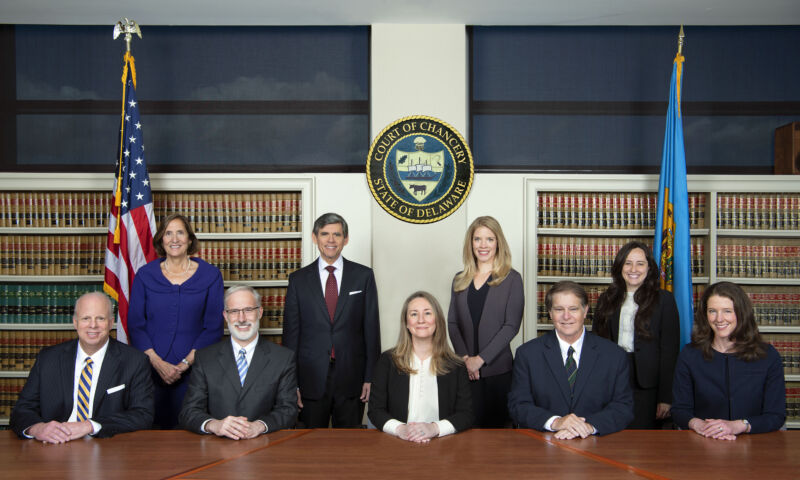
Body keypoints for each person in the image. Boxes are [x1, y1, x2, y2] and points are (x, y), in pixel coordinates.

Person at [11, 292, 153, 442]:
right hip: (54, 445)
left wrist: (90, 426)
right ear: (75, 322)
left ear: (111, 323)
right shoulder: (48, 358)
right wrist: (38, 428)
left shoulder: (135, 361)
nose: (93, 325)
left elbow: (143, 415)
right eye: (86, 318)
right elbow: (21, 410)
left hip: (107, 446)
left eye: (100, 318)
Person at [283, 212, 380, 428]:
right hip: (309, 378)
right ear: (314, 237)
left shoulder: (363, 276)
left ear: (345, 239)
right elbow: (291, 335)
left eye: (337, 234)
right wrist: (291, 383)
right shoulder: (298, 280)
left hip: (352, 377)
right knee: (308, 445)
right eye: (325, 234)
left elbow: (372, 330)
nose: (331, 240)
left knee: (349, 447)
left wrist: (370, 377)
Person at [128, 213, 224, 428]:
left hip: (195, 370)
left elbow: (213, 327)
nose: (174, 239)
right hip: (151, 370)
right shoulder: (145, 275)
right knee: (151, 431)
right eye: (168, 233)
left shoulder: (211, 275)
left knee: (192, 430)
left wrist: (183, 365)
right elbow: (136, 323)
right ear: (161, 239)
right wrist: (157, 363)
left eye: (180, 232)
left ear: (190, 239)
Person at [508, 281, 633, 438]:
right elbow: (518, 405)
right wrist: (556, 422)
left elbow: (623, 407)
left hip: (598, 446)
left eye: (573, 309)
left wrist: (588, 426)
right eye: (559, 309)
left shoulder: (614, 355)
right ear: (550, 312)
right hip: (543, 447)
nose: (566, 316)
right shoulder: (527, 354)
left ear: (585, 311)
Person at [179, 286, 297, 438]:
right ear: (225, 316)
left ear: (259, 313)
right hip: (216, 448)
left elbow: (288, 410)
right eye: (234, 311)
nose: (241, 318)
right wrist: (214, 425)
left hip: (265, 448)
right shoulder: (205, 358)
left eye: (248, 310)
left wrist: (259, 426)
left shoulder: (283, 358)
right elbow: (188, 411)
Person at [671, 282, 786, 439]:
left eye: (727, 311)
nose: (719, 319)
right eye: (712, 311)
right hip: (705, 440)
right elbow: (679, 410)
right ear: (705, 315)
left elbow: (776, 415)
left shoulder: (767, 356)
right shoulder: (690, 355)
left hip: (755, 443)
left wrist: (737, 426)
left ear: (741, 313)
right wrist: (699, 425)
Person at [592, 241, 679, 429]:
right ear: (620, 266)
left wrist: (665, 398)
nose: (634, 269)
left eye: (640, 263)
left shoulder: (664, 300)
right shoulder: (606, 299)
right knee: (612, 434)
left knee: (643, 441)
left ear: (649, 267)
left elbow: (669, 352)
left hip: (647, 384)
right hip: (612, 379)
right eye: (628, 263)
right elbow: (595, 346)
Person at [447, 216, 523, 427]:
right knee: (465, 434)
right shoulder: (459, 279)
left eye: (489, 239)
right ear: (470, 243)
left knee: (497, 440)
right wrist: (466, 359)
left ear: (498, 242)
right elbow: (452, 323)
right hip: (465, 371)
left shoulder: (512, 279)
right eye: (477, 239)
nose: (483, 245)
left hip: (498, 372)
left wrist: (480, 359)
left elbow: (511, 326)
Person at [368, 291, 472, 442]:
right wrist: (400, 429)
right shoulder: (387, 361)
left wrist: (434, 428)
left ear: (438, 321)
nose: (421, 320)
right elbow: (375, 410)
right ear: (406, 323)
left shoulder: (456, 366)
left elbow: (466, 414)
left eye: (428, 313)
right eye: (414, 314)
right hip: (397, 443)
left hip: (442, 445)